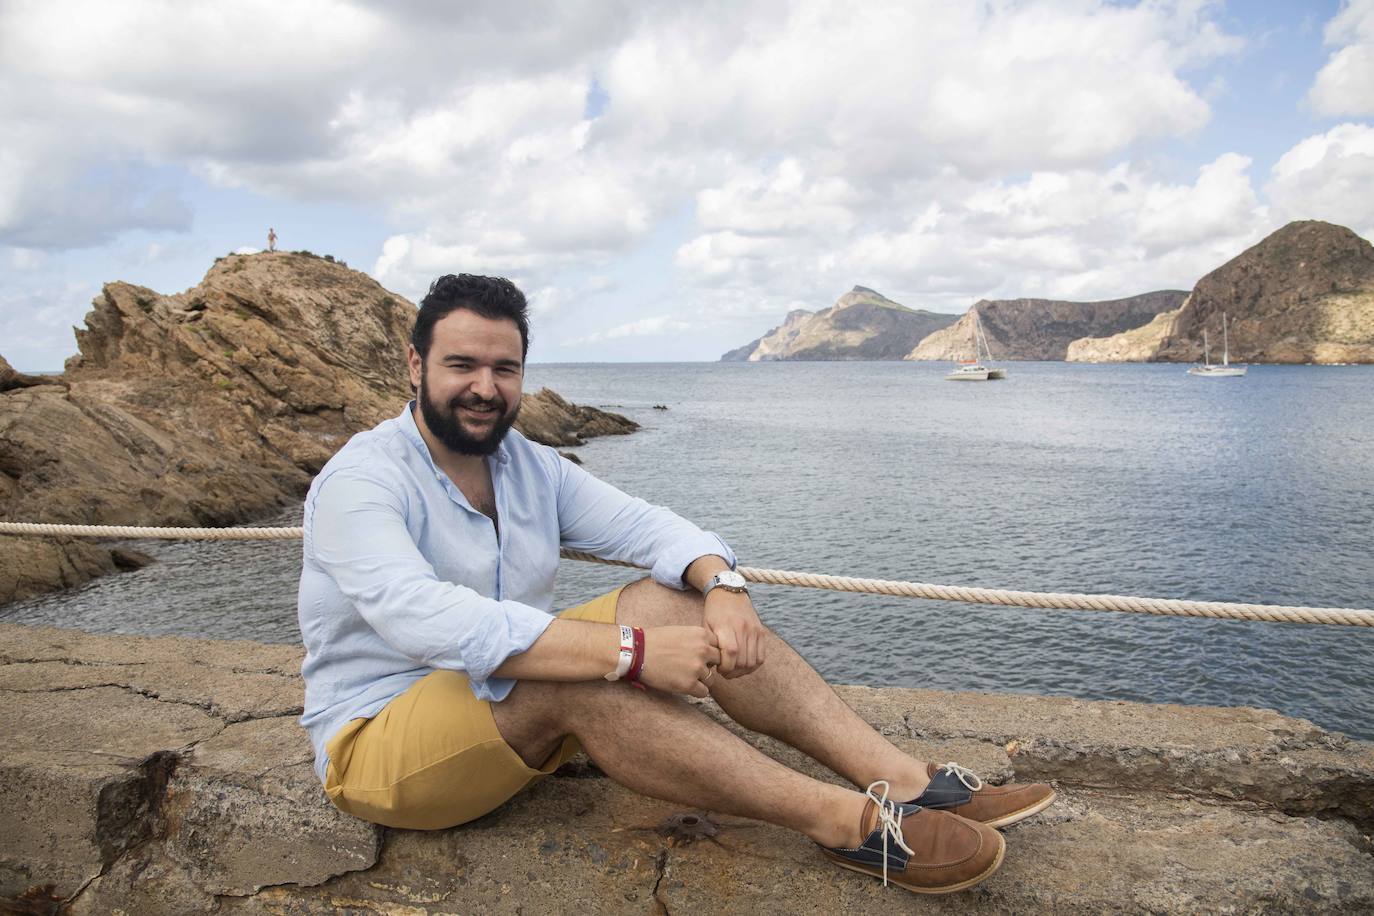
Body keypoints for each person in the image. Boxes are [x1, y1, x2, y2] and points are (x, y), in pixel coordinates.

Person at [297, 274, 1054, 896]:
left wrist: (722, 584)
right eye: (462, 365)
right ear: (414, 365)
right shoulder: (362, 480)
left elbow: (655, 529)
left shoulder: (525, 465)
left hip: (500, 720)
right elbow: (424, 619)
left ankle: (902, 780)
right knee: (587, 671)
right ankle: (848, 825)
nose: (485, 388)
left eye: (505, 369)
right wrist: (628, 654)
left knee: (677, 598)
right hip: (381, 741)